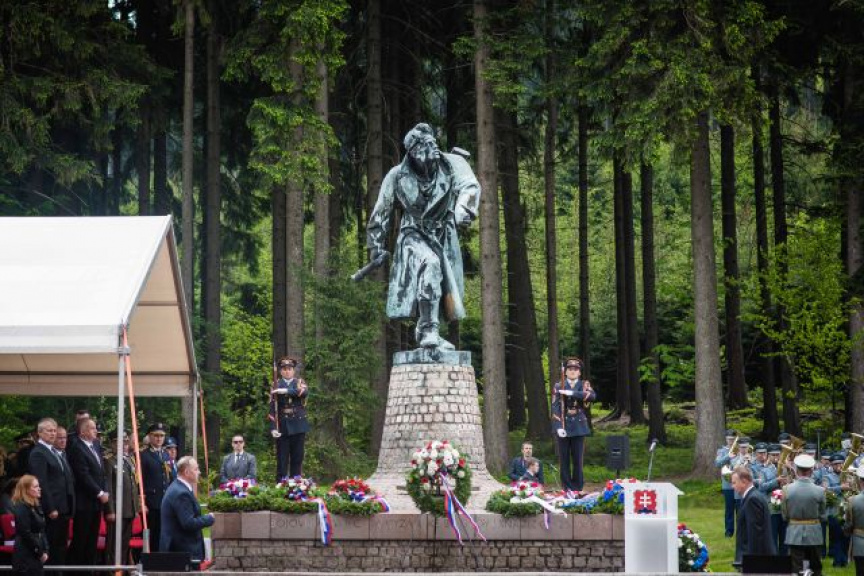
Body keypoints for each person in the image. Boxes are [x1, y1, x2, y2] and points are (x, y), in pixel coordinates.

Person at [364, 122, 480, 350]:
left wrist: (462, 209)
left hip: (444, 234)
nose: (433, 147)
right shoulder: (397, 176)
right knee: (431, 264)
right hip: (414, 234)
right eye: (426, 144)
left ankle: (426, 326)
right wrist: (375, 246)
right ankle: (429, 329)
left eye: (433, 142)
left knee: (446, 288)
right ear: (414, 151)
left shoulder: (452, 163)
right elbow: (381, 211)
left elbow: (469, 186)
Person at [26, 418, 75, 570]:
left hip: (63, 508)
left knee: (61, 547)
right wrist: (50, 507)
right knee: (52, 548)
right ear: (40, 433)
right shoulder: (38, 453)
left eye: (54, 430)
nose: (53, 433)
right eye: (49, 431)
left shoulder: (55, 452)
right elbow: (42, 482)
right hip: (52, 510)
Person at [67, 418, 111, 570]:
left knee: (92, 540)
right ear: (83, 431)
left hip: (96, 503)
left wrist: (105, 490)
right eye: (92, 428)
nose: (96, 430)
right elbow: (83, 475)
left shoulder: (96, 445)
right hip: (84, 503)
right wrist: (99, 492)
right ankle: (76, 571)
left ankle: (89, 569)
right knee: (81, 540)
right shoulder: (77, 448)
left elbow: (101, 472)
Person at [550, 357, 595, 492]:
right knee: (564, 459)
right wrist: (558, 427)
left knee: (578, 459)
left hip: (579, 426)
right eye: (570, 369)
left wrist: (572, 393)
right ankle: (567, 488)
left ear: (579, 372)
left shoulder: (584, 384)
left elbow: (592, 396)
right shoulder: (558, 386)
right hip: (564, 425)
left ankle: (577, 487)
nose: (573, 371)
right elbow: (555, 407)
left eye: (576, 369)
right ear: (565, 372)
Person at [159, 457, 214, 563]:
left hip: (180, 550)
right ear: (187, 472)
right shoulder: (181, 493)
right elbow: (189, 523)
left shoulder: (179, 487)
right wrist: (209, 518)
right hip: (181, 553)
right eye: (196, 469)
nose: (199, 472)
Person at [782, 453, 827, 576]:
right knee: (815, 568)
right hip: (814, 533)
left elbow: (785, 515)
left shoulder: (787, 489)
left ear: (796, 470)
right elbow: (823, 515)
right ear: (811, 471)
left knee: (796, 568)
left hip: (794, 533)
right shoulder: (820, 491)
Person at [104, 430, 139, 567]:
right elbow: (108, 487)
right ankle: (112, 571)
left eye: (126, 442)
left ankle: (122, 568)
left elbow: (133, 485)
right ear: (113, 444)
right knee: (113, 544)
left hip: (129, 509)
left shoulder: (129, 460)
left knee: (124, 544)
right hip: (117, 510)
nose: (124, 445)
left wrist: (136, 507)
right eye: (120, 442)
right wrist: (110, 510)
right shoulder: (109, 461)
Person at [270, 358, 309, 480]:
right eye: (284, 369)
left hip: (298, 424)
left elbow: (303, 392)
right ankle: (280, 484)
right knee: (282, 457)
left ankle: (296, 483)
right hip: (282, 425)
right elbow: (272, 408)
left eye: (289, 369)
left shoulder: (299, 382)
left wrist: (286, 391)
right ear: (281, 371)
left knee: (297, 457)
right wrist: (273, 428)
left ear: (293, 371)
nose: (287, 371)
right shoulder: (275, 384)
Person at [731, 466, 776, 568]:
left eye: (734, 483)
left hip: (755, 559)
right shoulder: (752, 496)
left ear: (744, 482)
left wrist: (752, 563)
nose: (732, 486)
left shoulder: (752, 500)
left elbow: (755, 535)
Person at [140, 422, 171, 553]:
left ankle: (161, 559)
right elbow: (139, 481)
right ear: (150, 436)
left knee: (163, 534)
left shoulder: (165, 454)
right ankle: (152, 560)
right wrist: (142, 502)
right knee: (153, 535)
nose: (159, 439)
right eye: (156, 435)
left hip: (165, 500)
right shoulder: (143, 455)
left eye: (161, 436)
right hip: (151, 502)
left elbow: (168, 477)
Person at [11, 475, 48, 576]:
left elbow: (41, 529)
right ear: (26, 490)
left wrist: (45, 549)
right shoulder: (22, 507)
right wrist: (39, 552)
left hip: (36, 554)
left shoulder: (36, 506)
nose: (39, 489)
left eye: (38, 486)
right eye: (36, 486)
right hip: (25, 555)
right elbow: (25, 533)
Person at [715, 429, 738, 537]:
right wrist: (728, 456)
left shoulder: (739, 450)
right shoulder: (721, 451)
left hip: (739, 483)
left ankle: (741, 531)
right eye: (729, 439)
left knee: (740, 509)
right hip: (727, 484)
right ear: (726, 439)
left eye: (733, 439)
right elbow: (717, 463)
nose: (731, 441)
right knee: (729, 509)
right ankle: (729, 531)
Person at [844, 466, 864, 576]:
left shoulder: (852, 501)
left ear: (860, 481)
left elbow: (849, 524)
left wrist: (846, 532)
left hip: (859, 543)